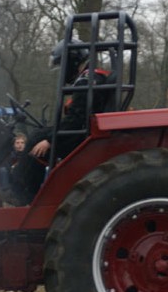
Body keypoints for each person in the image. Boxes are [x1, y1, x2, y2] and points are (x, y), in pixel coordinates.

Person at [7, 42, 114, 205]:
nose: (61, 72)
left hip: (81, 135)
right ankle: (26, 192)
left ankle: (21, 193)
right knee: (39, 134)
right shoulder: (92, 78)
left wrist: (49, 140)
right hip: (84, 130)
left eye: (62, 66)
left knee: (36, 140)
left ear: (70, 62)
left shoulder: (86, 82)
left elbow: (76, 119)